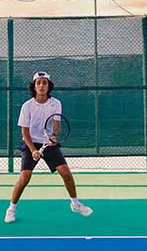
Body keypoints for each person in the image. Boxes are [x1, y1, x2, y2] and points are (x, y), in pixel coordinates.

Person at [6, 71, 93, 223]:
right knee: (25, 177)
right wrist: (33, 150)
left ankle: (75, 203)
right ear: (34, 86)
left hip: (48, 143)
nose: (41, 85)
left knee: (66, 173)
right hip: (30, 142)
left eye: (44, 83)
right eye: (38, 83)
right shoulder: (27, 106)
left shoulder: (56, 103)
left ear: (48, 86)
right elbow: (24, 132)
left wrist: (53, 136)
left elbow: (57, 126)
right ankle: (11, 208)